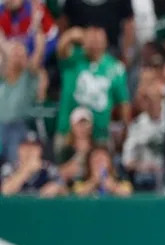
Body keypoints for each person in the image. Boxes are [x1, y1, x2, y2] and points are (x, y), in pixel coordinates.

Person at [55, 26, 130, 148]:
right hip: (67, 132)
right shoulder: (73, 58)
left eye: (98, 41)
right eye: (91, 40)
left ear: (106, 43)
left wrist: (126, 128)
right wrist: (71, 35)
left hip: (100, 134)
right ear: (84, 41)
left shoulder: (115, 68)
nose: (94, 45)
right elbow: (61, 50)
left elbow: (123, 103)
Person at [0, 21, 46, 166]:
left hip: (19, 126)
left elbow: (39, 51)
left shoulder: (29, 75)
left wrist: (37, 28)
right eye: (15, 52)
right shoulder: (2, 76)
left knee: (15, 163)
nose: (17, 56)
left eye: (21, 53)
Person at [0, 131, 62, 196]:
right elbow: (5, 190)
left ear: (40, 150)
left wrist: (57, 188)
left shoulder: (48, 168)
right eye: (25, 146)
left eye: (34, 146)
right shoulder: (9, 167)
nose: (29, 151)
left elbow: (63, 188)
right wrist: (26, 170)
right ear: (19, 149)